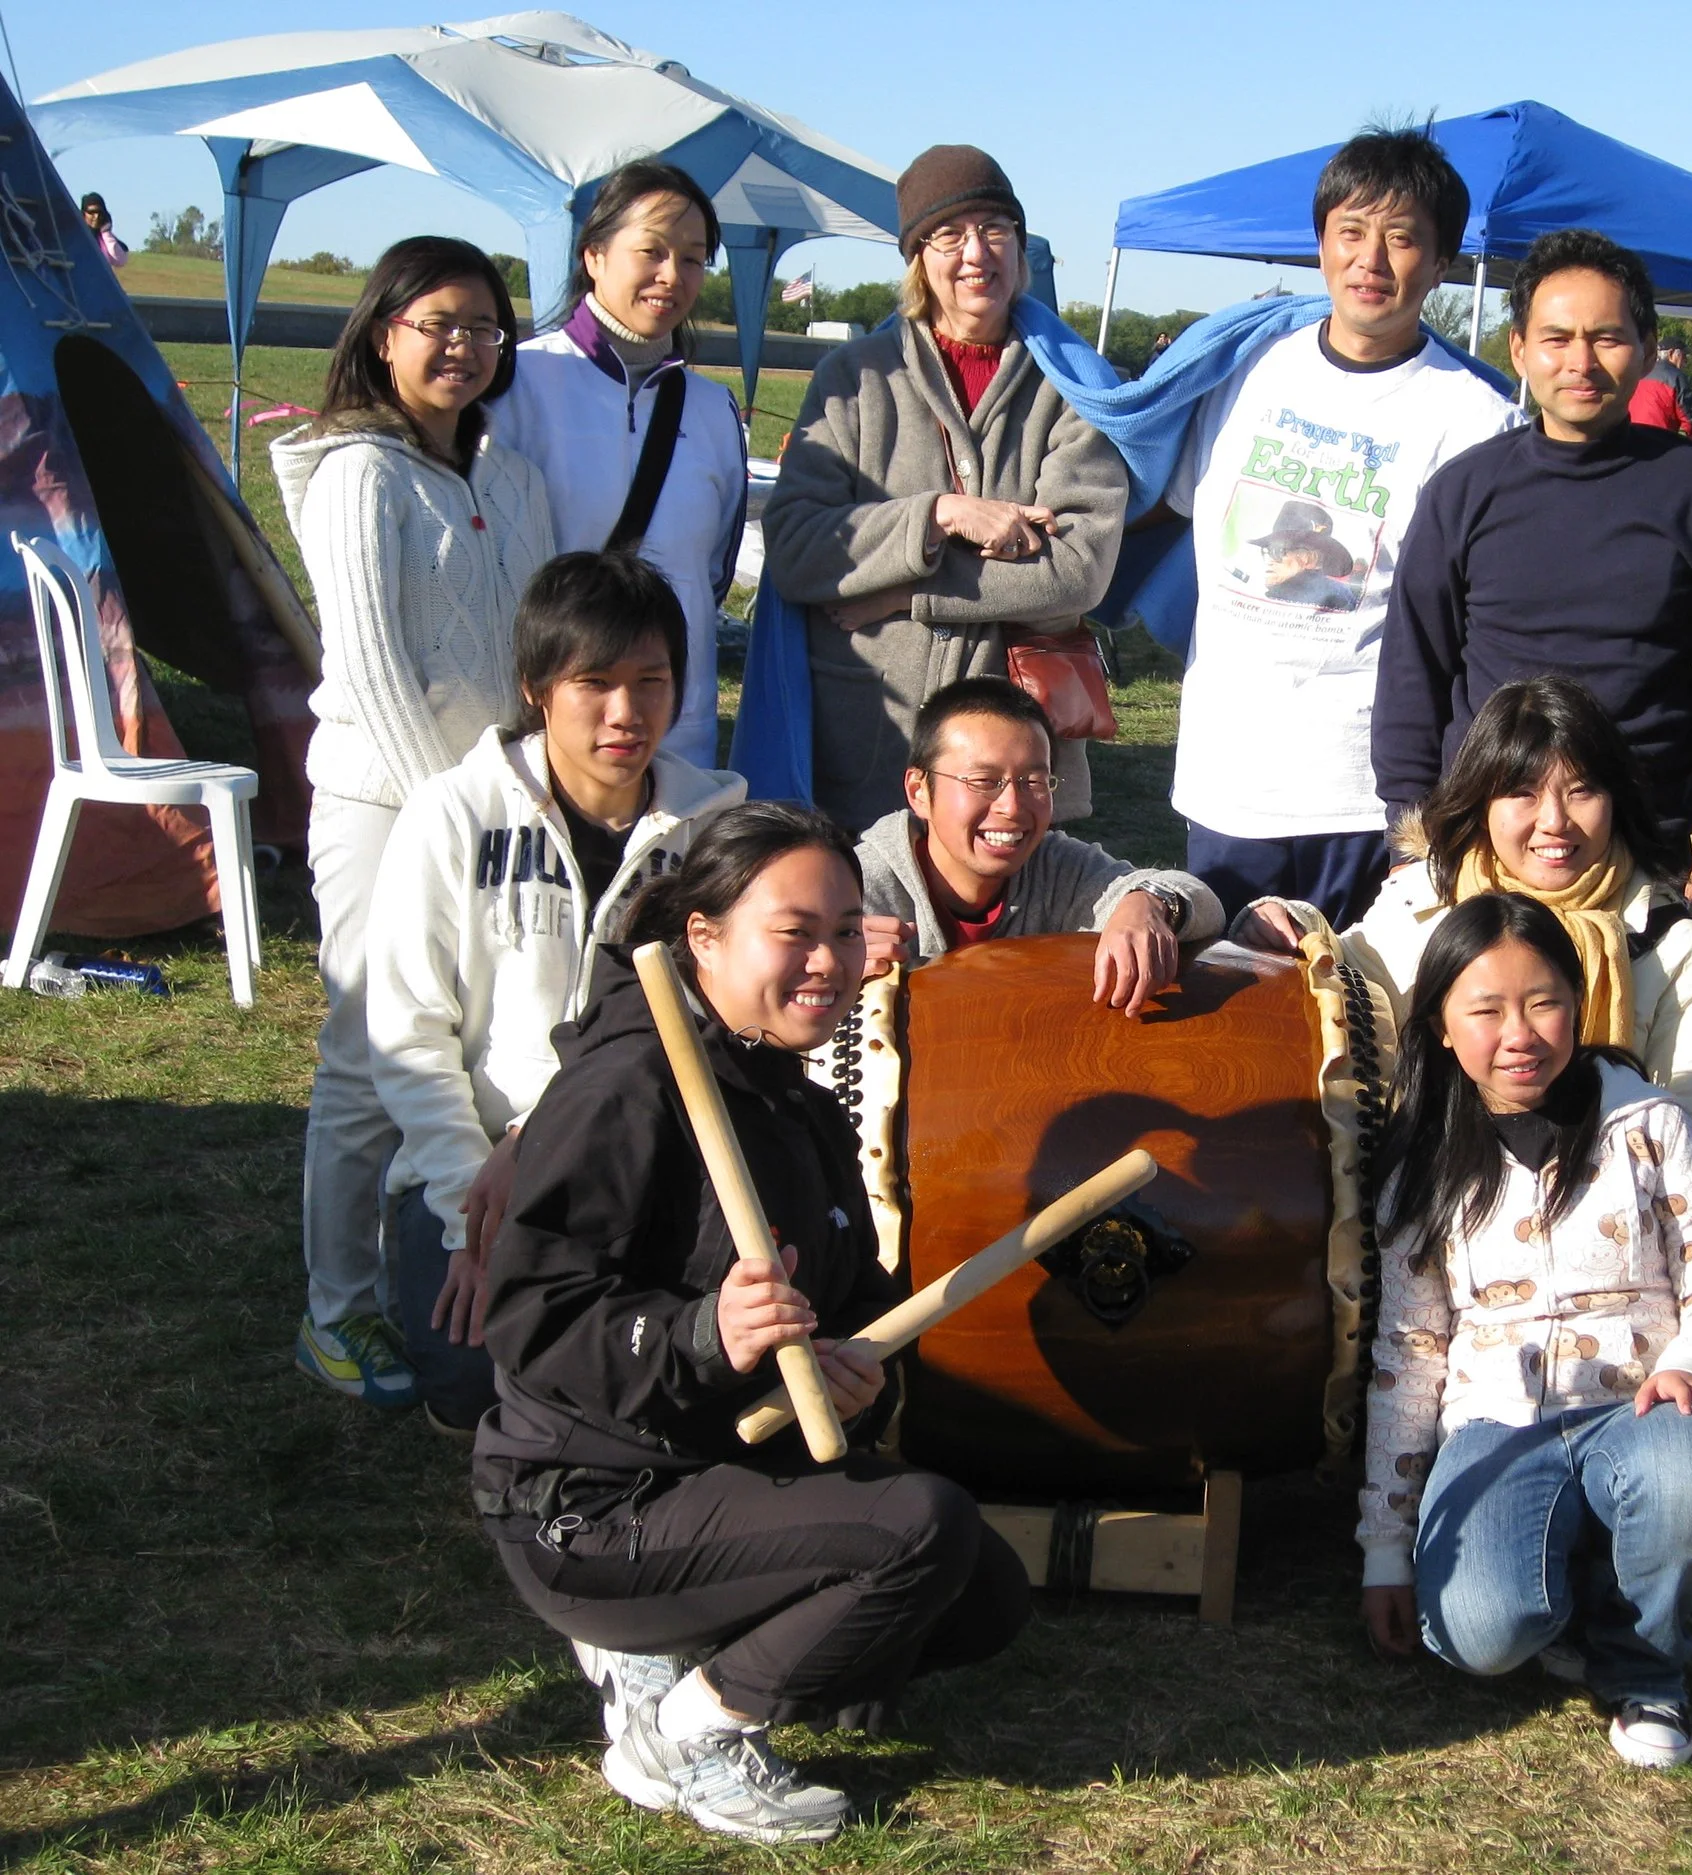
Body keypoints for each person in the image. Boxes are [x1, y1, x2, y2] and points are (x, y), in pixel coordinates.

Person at [474, 803, 1030, 1844]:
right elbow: (529, 1318)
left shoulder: (794, 1099)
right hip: (589, 1501)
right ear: (705, 937)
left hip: (715, 1466)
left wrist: (850, 1365)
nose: (828, 959)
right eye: (794, 932)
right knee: (921, 1531)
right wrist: (699, 1337)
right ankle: (682, 1731)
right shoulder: (627, 1088)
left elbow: (849, 1292)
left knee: (980, 1598)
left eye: (845, 929)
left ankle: (676, 1650)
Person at [1357, 893, 1692, 1770]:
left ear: (1578, 1003)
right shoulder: (1420, 1166)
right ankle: (1578, 1582)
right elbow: (1409, 1359)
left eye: (1543, 1001)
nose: (1520, 1033)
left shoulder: (1646, 1122)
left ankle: (1646, 1664)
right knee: (1476, 1634)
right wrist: (1384, 1550)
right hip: (1498, 1427)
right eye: (1486, 1009)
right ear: (1441, 1026)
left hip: (1639, 1409)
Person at [366, 551, 746, 1433]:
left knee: (647, 1386)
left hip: (645, 1159)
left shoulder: (715, 827)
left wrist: (543, 1135)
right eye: (595, 683)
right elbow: (408, 1033)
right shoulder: (453, 814)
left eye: (653, 681)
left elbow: (723, 1021)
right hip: (472, 1171)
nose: (627, 713)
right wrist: (470, 1213)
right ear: (537, 687)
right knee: (469, 1393)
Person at [273, 236, 555, 1409]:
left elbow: (542, 642)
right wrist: (461, 812)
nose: (463, 347)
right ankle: (335, 1312)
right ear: (382, 331)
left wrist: (536, 778)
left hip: (498, 797)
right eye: (437, 322)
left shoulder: (512, 474)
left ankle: (464, 1266)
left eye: (485, 327)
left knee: (476, 1039)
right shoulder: (357, 474)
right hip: (385, 808)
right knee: (368, 1053)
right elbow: (378, 669)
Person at [1161, 123, 1521, 927]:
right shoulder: (1246, 369)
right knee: (1234, 1023)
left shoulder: (1473, 418)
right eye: (1350, 231)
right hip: (1229, 777)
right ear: (1320, 242)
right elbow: (1169, 501)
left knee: (1363, 1024)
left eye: (1401, 239)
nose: (1371, 259)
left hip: (1365, 793)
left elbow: (1467, 620)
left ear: (1440, 264)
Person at [1372, 229, 1692, 938]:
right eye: (1556, 339)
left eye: (1607, 337)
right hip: (1486, 852)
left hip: (1643, 858)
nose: (1581, 362)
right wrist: (1413, 837)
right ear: (1520, 350)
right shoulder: (1464, 492)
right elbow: (1414, 672)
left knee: (1643, 1049)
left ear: (1649, 349)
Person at [1238, 675, 1692, 1174]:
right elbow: (1347, 982)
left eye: (1581, 791)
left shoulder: (1680, 950)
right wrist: (1288, 923)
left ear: (1615, 799)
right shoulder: (1423, 900)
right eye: (1523, 793)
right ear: (1483, 802)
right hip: (1424, 1216)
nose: (1555, 821)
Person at [766, 144, 1125, 829]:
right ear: (917, 259)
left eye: (996, 228)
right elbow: (794, 548)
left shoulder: (1076, 386)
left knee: (1012, 933)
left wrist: (909, 591)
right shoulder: (853, 380)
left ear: (1020, 247)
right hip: (873, 738)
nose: (976, 253)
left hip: (1017, 757)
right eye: (950, 234)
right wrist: (939, 516)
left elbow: (1078, 571)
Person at [492, 161, 748, 771]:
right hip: (547, 718)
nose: (672, 275)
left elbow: (710, 574)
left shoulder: (714, 410)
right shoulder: (519, 384)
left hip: (674, 731)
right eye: (651, 251)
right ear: (595, 256)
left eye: (692, 258)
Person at [854, 677, 1221, 1012]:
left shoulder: (1055, 866)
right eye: (984, 780)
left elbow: (1202, 901)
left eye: (1033, 781)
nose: (1011, 807)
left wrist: (1149, 904)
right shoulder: (853, 891)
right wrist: (827, 962)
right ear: (919, 791)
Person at [79, 193, 127, 269]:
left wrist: (106, 232)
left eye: (100, 212)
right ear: (84, 213)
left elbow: (120, 260)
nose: (96, 216)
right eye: (91, 212)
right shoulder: (77, 236)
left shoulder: (104, 238)